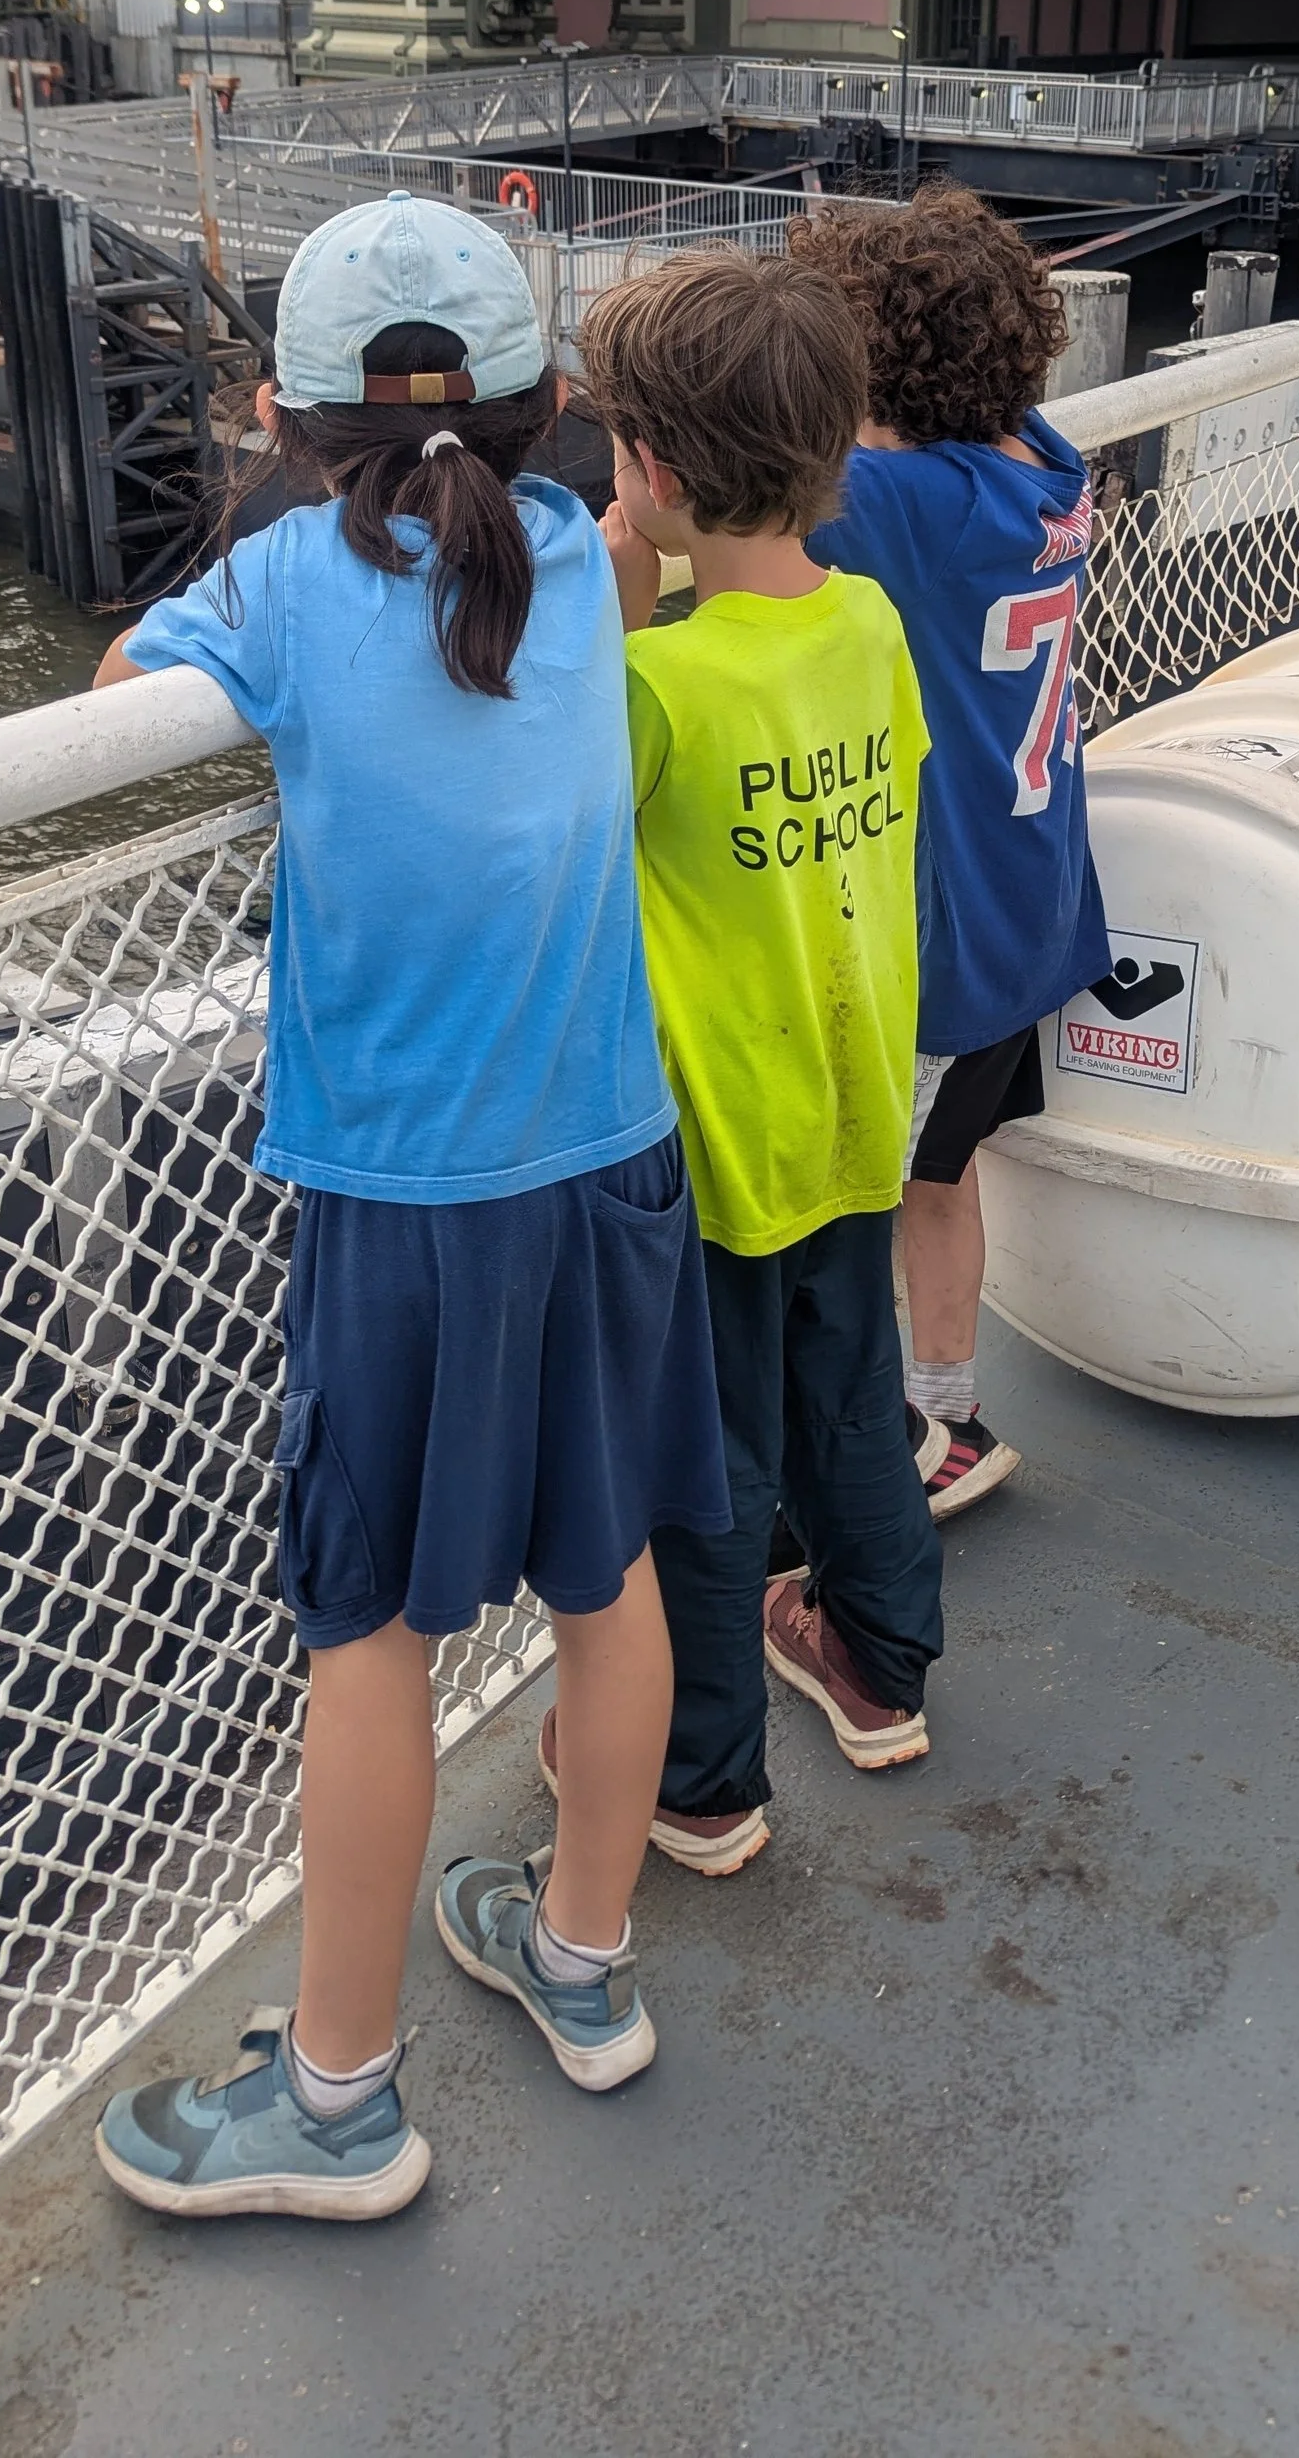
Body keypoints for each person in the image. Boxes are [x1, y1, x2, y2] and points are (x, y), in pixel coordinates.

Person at [90, 191, 728, 2221]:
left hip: (407, 1193)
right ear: (545, 405)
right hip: (612, 1155)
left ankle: (343, 2098)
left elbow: (121, 692)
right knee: (602, 1561)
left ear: (279, 409)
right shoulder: (571, 550)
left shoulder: (273, 586)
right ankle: (581, 1965)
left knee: (360, 1625)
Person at [572, 250, 944, 1880]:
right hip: (859, 1115)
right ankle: (880, 1662)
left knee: (702, 1483)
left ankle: (704, 1781)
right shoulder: (866, 625)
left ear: (647, 474)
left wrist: (613, 616)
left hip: (713, 1151)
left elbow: (561, 834)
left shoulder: (645, 685)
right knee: (855, 1401)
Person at [788, 187, 1113, 1515]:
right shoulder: (1046, 465)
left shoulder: (896, 502)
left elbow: (751, 490)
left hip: (943, 937)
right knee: (940, 1171)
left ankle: (892, 1454)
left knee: (856, 1203)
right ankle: (949, 1409)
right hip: (1031, 898)